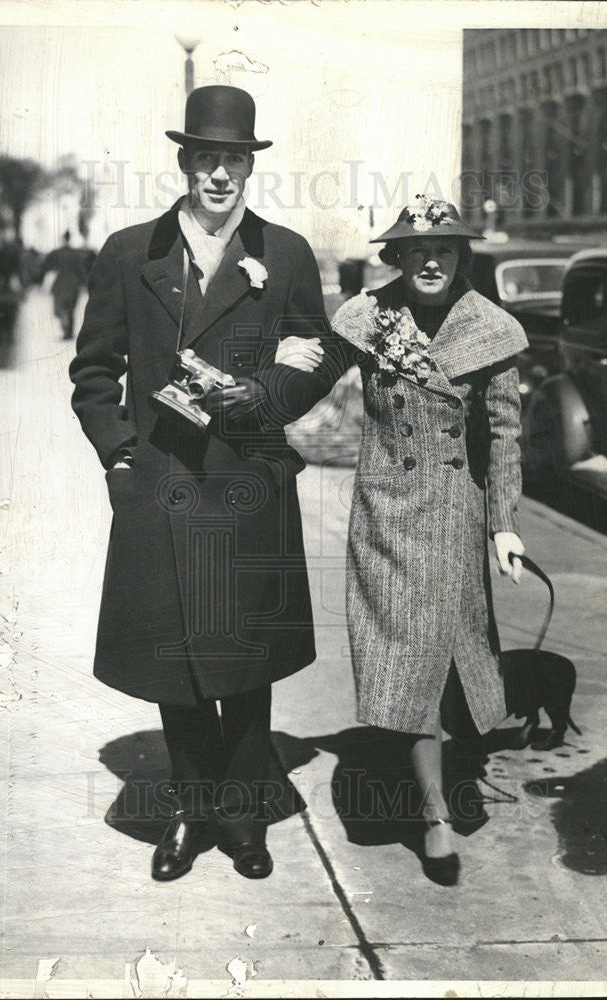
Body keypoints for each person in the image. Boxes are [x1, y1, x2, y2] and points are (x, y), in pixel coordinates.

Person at [69, 85, 343, 882]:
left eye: (234, 160)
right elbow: (93, 371)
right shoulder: (131, 251)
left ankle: (242, 812)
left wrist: (265, 396)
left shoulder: (284, 253)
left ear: (249, 168)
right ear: (184, 162)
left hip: (248, 477)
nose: (220, 175)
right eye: (207, 159)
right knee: (177, 658)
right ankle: (191, 809)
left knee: (246, 657)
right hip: (161, 482)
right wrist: (118, 450)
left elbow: (317, 352)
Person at [293, 197, 528, 885]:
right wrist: (251, 390)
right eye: (416, 250)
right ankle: (432, 816)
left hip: (455, 513)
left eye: (445, 250)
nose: (430, 260)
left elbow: (507, 436)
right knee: (410, 668)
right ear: (396, 257)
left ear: (462, 258)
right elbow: (305, 380)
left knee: (445, 666)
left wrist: (505, 524)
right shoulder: (366, 317)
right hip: (387, 517)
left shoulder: (492, 329)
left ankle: (438, 786)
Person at [41, 230, 88, 339]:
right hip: (73, 284)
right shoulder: (76, 254)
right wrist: (85, 283)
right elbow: (81, 270)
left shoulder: (56, 253)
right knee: (71, 309)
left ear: (63, 238)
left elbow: (46, 266)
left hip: (61, 284)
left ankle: (66, 329)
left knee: (62, 309)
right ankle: (69, 331)